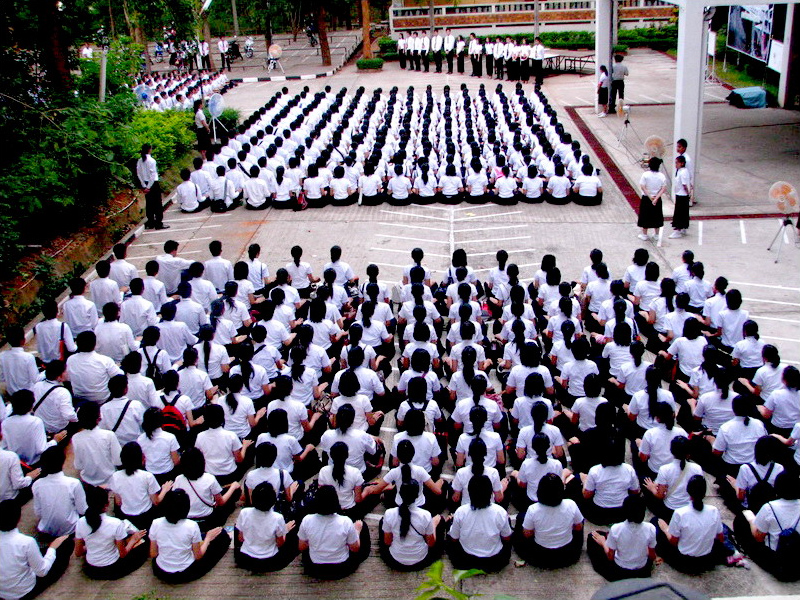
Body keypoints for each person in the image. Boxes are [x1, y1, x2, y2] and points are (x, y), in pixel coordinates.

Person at [149, 489, 231, 583]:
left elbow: (153, 554)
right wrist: (208, 539)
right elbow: (198, 556)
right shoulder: (191, 525)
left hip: (162, 571)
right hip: (186, 571)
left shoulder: (156, 523)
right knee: (222, 537)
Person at [655, 474, 731, 573]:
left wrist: (665, 529)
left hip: (685, 562)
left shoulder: (680, 513)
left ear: (688, 492)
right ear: (704, 493)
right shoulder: (714, 511)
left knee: (656, 522)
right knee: (722, 528)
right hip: (707, 560)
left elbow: (673, 541)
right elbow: (720, 538)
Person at [0, 499, 70, 600]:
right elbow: (42, 571)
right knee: (66, 545)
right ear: (19, 518)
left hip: (3, 592)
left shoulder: (24, 542)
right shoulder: (26, 542)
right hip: (24, 591)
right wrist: (52, 548)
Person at [74, 485, 149, 580]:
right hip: (111, 567)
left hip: (92, 568)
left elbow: (78, 552)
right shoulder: (115, 523)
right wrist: (133, 540)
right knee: (144, 543)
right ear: (107, 504)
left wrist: (93, 545)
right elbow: (123, 554)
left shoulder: (81, 522)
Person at [297, 485, 370, 579]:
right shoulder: (345, 521)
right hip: (341, 568)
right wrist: (357, 531)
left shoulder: (307, 520)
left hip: (315, 568)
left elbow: (302, 547)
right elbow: (355, 548)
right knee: (362, 526)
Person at [516, 473, 584, 568]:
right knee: (580, 520)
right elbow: (578, 527)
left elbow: (528, 534)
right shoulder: (571, 504)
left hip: (541, 556)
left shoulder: (533, 509)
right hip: (568, 554)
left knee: (520, 519)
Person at [447, 475, 512, 572]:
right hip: (495, 560)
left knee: (449, 528)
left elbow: (454, 538)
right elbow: (506, 538)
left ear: (469, 492)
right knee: (508, 527)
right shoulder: (500, 512)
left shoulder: (461, 512)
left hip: (466, 560)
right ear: (491, 493)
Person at [587, 495, 656, 581]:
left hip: (619, 571)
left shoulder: (617, 528)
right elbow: (652, 556)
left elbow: (610, 556)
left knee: (592, 537)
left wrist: (603, 542)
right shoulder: (650, 528)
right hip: (642, 571)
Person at [235, 481, 298, 572]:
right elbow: (280, 543)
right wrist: (285, 530)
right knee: (293, 531)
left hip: (246, 558)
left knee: (237, 526)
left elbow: (240, 538)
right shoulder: (277, 517)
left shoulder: (244, 512)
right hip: (269, 559)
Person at [379, 480, 442, 571]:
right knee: (440, 521)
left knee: (382, 522)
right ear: (417, 496)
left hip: (395, 560)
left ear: (400, 494)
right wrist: (434, 525)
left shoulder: (389, 513)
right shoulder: (425, 515)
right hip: (420, 560)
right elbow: (431, 543)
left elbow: (387, 542)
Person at [72, 402, 122, 487]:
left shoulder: (76, 438)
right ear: (98, 418)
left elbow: (78, 465)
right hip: (109, 481)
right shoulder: (109, 435)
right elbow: (118, 461)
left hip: (88, 482)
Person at [136, 144, 167, 230]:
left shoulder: (139, 161)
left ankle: (151, 222)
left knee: (149, 204)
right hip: (153, 184)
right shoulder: (152, 161)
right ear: (150, 149)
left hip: (145, 183)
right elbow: (153, 175)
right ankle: (158, 223)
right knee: (157, 204)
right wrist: (149, 186)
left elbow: (139, 174)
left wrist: (144, 186)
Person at [637, 157, 666, 241]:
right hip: (656, 198)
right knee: (657, 216)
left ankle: (644, 234)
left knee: (645, 215)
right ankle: (657, 234)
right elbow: (663, 188)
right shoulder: (661, 176)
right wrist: (656, 198)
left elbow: (643, 186)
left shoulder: (645, 175)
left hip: (647, 198)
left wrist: (650, 197)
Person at [669, 155, 693, 239]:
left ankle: (678, 230)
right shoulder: (681, 171)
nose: (676, 164)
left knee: (679, 213)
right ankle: (683, 227)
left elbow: (684, 185)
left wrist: (688, 193)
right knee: (683, 213)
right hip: (681, 194)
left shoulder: (683, 172)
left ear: (682, 163)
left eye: (677, 163)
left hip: (682, 195)